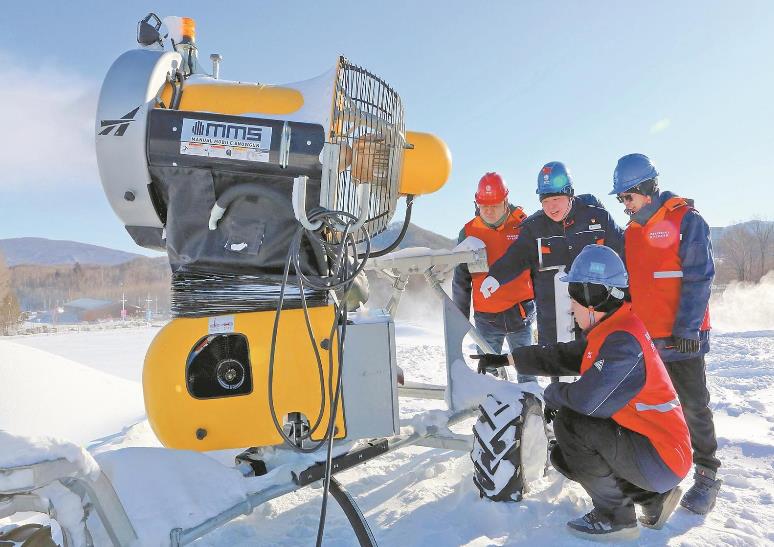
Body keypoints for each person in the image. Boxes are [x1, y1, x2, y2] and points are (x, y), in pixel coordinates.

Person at [475, 245, 691, 541]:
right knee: (565, 456)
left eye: (574, 298)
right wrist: (508, 359)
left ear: (592, 298)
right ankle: (652, 499)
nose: (571, 307)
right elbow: (560, 356)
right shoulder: (613, 329)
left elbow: (588, 402)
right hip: (651, 447)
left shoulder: (622, 344)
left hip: (661, 455)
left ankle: (616, 518)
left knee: (571, 423)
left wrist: (553, 394)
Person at [611, 153, 721, 514]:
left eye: (627, 197)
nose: (624, 206)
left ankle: (706, 476)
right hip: (647, 340)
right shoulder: (632, 232)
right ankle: (655, 475)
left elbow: (700, 276)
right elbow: (631, 286)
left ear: (646, 189)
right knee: (648, 410)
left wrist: (688, 327)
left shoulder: (687, 220)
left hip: (683, 337)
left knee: (693, 406)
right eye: (621, 199)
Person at [480, 162, 623, 355]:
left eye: (556, 199)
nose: (551, 206)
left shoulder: (598, 218)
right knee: (559, 379)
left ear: (570, 194)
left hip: (597, 319)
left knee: (597, 378)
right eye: (545, 201)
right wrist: (495, 277)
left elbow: (623, 257)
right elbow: (516, 257)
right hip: (554, 326)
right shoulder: (535, 229)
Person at [452, 172, 537, 383]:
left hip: (521, 314)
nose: (488, 211)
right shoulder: (469, 232)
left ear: (506, 201)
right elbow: (461, 279)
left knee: (527, 371)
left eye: (495, 205)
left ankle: (532, 413)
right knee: (489, 377)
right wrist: (460, 318)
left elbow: (538, 270)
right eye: (483, 205)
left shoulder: (524, 225)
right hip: (487, 319)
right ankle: (492, 414)